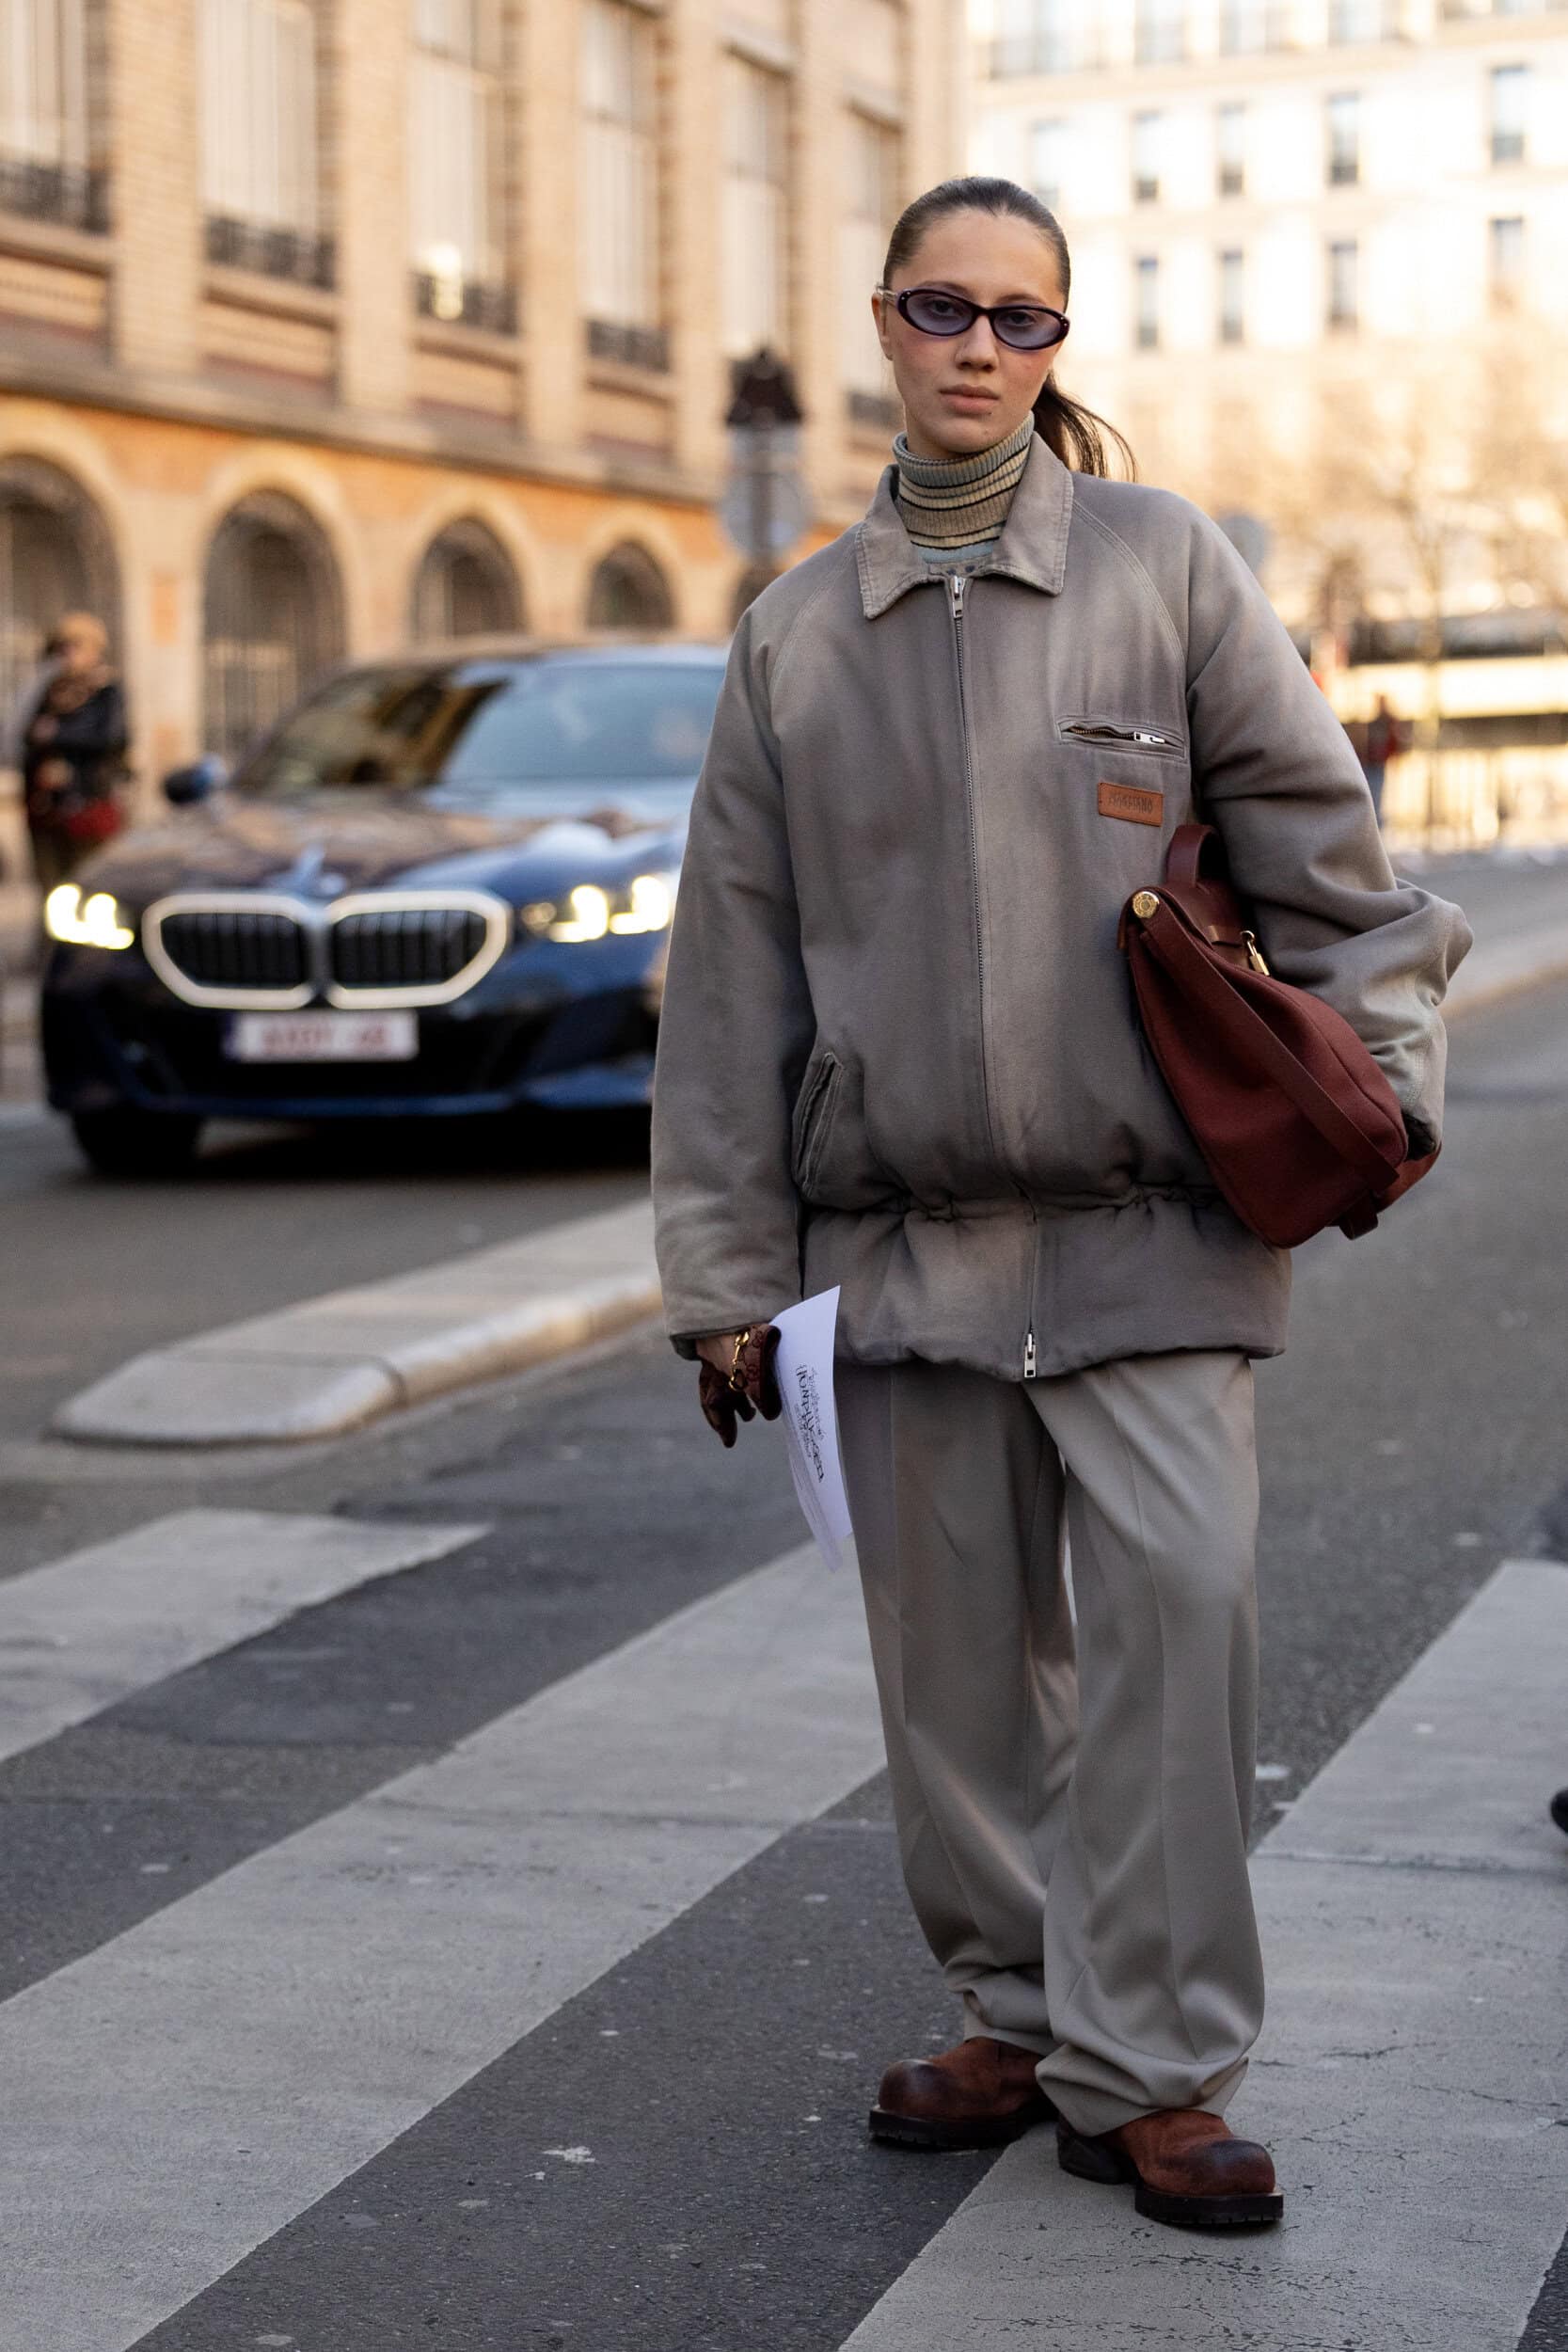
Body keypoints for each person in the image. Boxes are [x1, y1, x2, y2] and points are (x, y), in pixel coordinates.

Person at [651, 178, 1468, 2232]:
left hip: (1151, 1228)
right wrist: (726, 1276)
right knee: (949, 1677)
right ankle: (1015, 2009)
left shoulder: (1154, 565)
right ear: (878, 321)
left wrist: (1380, 1088)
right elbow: (729, 977)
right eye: (942, 306)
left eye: (1021, 320)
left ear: (1054, 345)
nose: (978, 349)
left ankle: (1154, 2062)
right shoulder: (790, 635)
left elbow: (1327, 868)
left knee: (1173, 1629)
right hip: (902, 1249)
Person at [20, 612, 129, 897]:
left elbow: (111, 738)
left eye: (75, 646)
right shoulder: (52, 689)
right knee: (51, 887)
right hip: (48, 806)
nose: (67, 655)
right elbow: (27, 734)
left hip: (88, 802)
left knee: (87, 886)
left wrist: (57, 735)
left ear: (94, 649)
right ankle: (52, 941)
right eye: (62, 648)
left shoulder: (106, 690)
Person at [1359, 694, 1407, 824]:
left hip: (1379, 764)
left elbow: (1396, 742)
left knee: (1378, 794)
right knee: (1373, 794)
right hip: (1372, 764)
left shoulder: (1389, 722)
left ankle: (1377, 822)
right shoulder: (1375, 723)